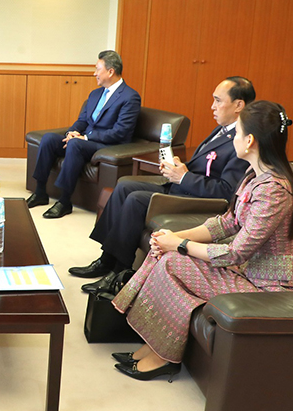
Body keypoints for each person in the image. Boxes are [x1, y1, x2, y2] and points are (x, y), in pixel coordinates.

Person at [110, 101, 293, 381]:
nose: (233, 139)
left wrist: (178, 245)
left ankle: (162, 356)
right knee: (165, 251)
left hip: (267, 288)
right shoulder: (254, 175)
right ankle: (155, 345)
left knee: (172, 260)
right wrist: (175, 236)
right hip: (247, 273)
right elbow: (227, 223)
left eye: (237, 133)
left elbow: (235, 253)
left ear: (250, 140)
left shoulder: (274, 190)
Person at [72, 77, 255, 294]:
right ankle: (106, 259)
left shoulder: (242, 140)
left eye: (218, 100)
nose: (212, 106)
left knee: (136, 199)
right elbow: (205, 166)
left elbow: (226, 191)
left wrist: (184, 177)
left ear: (238, 105)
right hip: (185, 187)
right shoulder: (223, 129)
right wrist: (180, 168)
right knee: (124, 185)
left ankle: (119, 272)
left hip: (200, 200)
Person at [26, 50, 141, 218]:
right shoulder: (95, 94)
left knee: (76, 144)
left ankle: (65, 201)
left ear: (110, 71)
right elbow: (83, 121)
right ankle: (40, 191)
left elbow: (120, 132)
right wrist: (72, 132)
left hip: (108, 145)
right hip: (85, 141)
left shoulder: (130, 97)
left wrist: (85, 137)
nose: (94, 73)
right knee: (49, 139)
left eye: (98, 69)